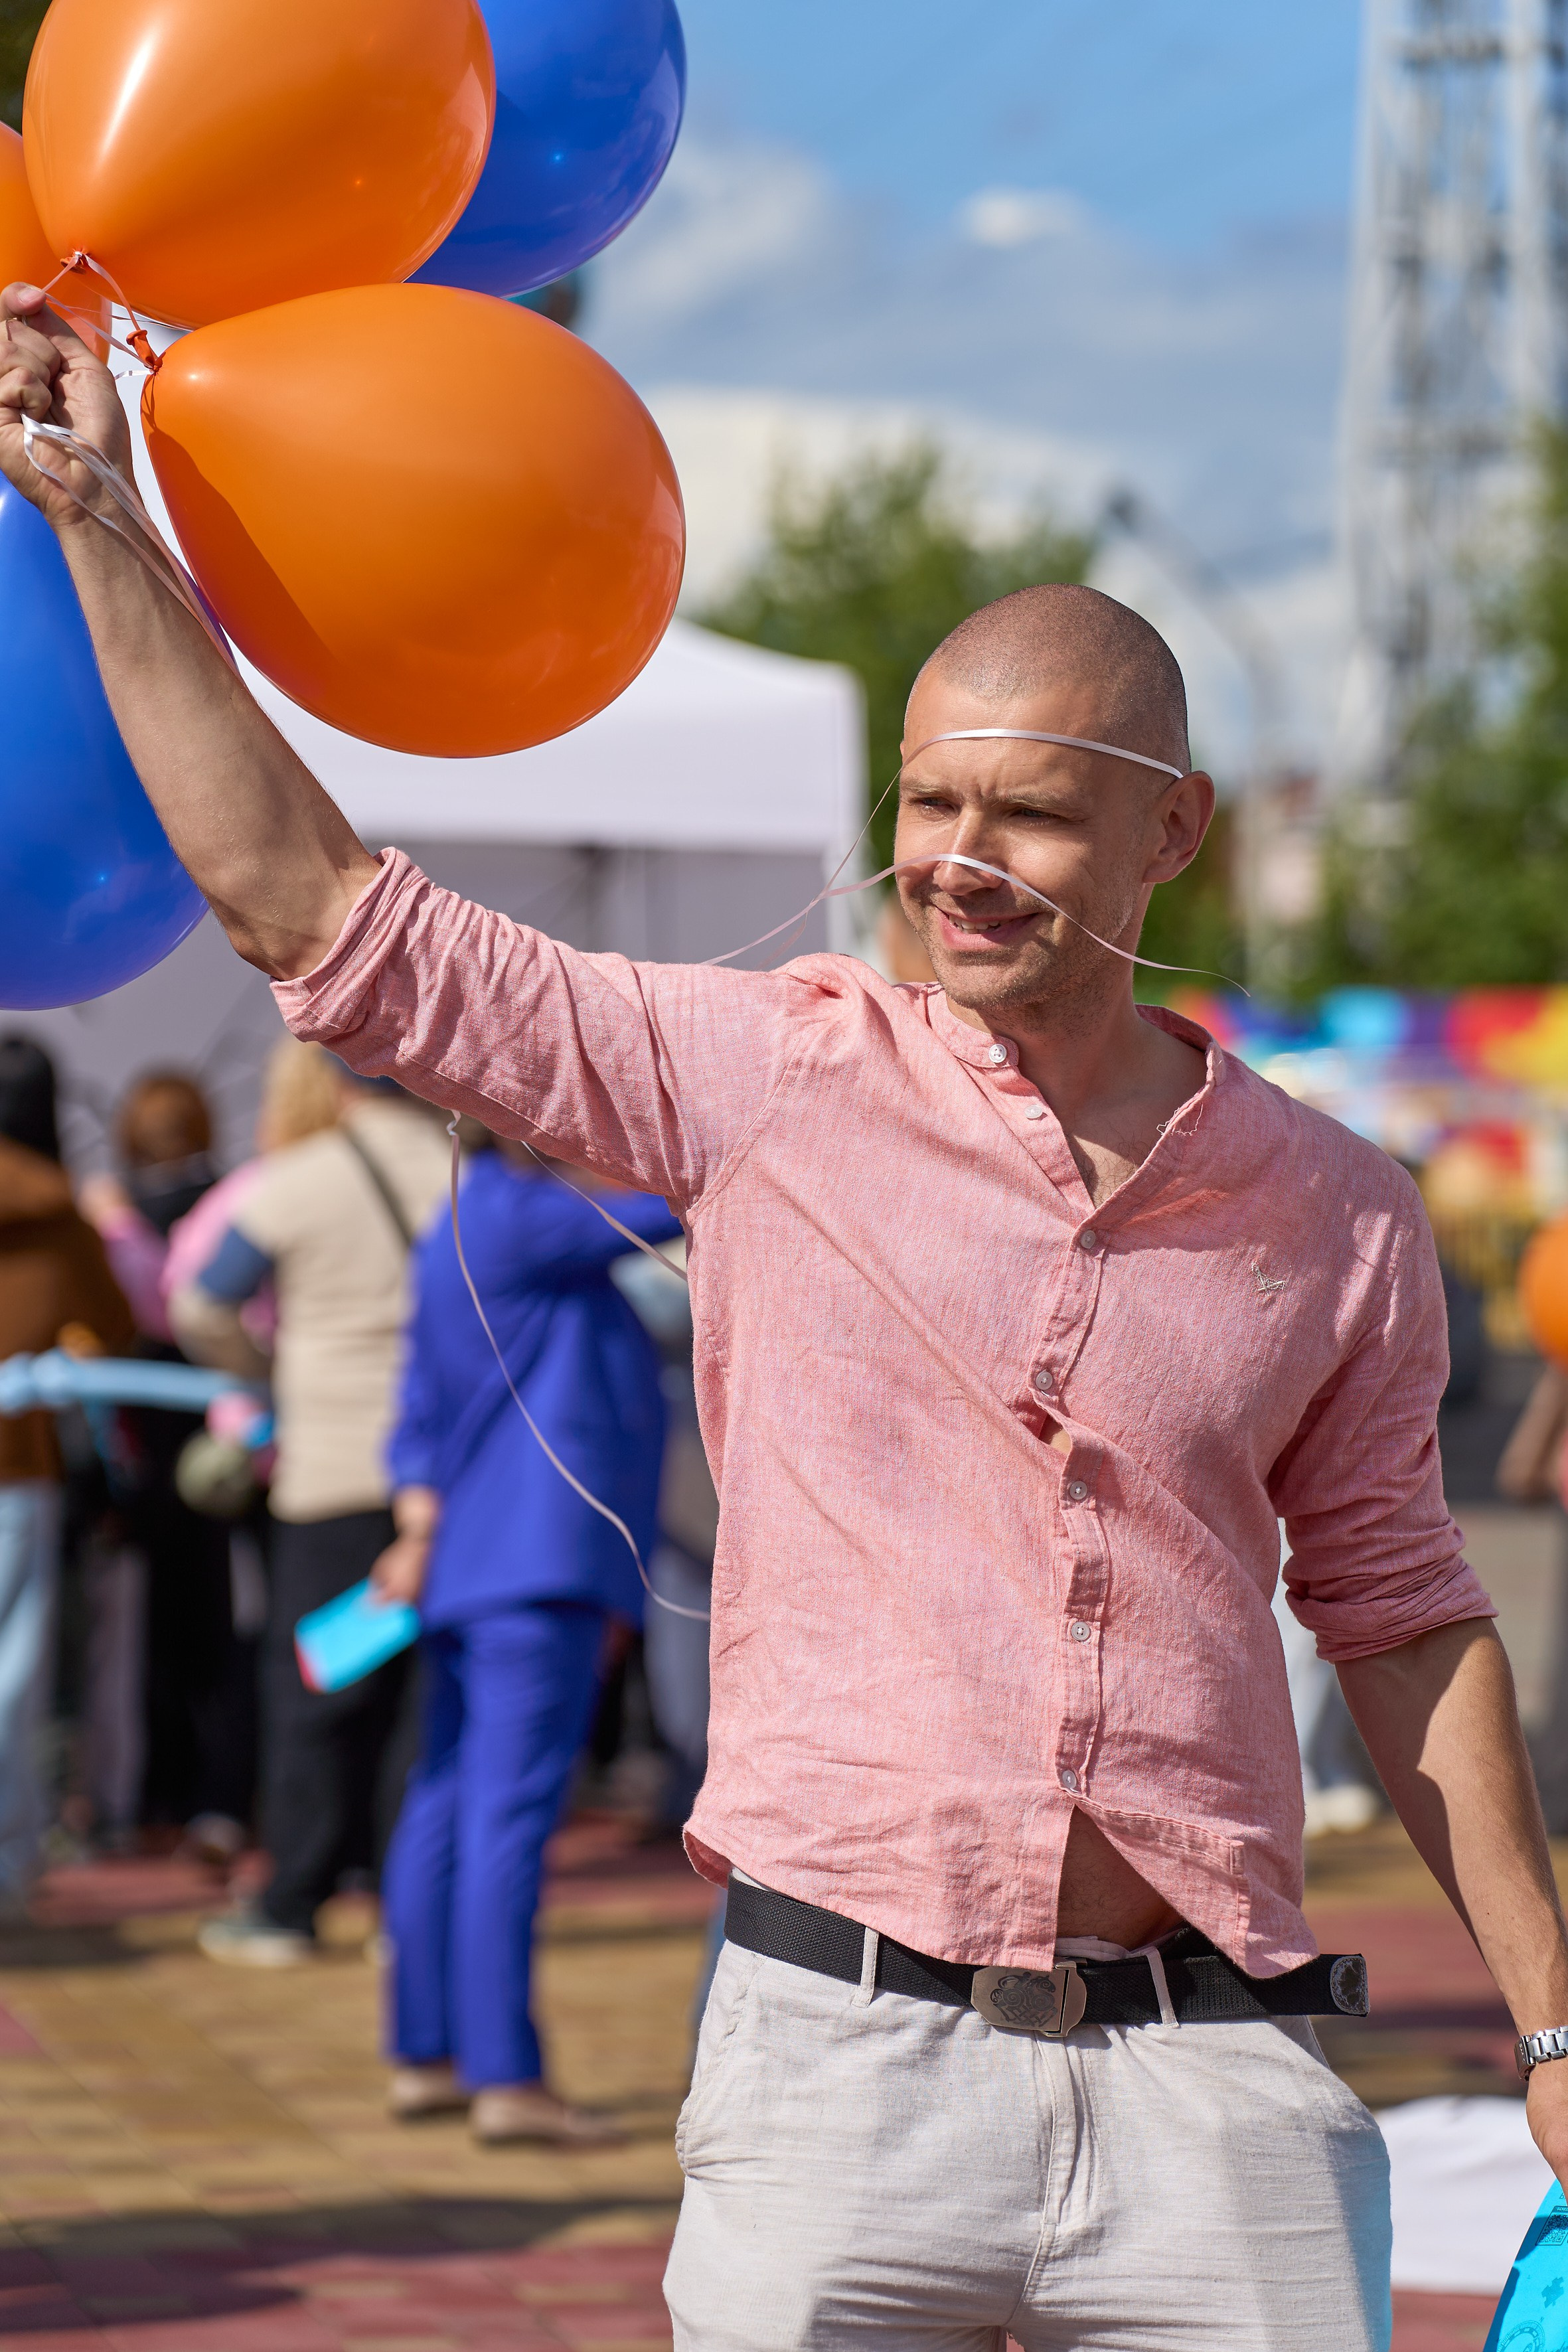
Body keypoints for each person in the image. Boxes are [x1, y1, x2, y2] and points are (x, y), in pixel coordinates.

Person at [9, 285, 1568, 2352]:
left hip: (1222, 2079)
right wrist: (100, 515)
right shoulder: (771, 1072)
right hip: (842, 2068)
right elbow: (325, 919)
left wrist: (1550, 2035)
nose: (957, 861)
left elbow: (1395, 1613)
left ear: (1170, 831)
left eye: (1025, 811)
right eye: (929, 806)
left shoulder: (1340, 1212)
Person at [374, 1129, 679, 2144]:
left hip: (471, 1559)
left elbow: (416, 1410)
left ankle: (427, 2051)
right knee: (502, 1819)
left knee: (447, 1803)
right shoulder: (517, 1210)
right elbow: (682, 1197)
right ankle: (505, 2074)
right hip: (538, 1563)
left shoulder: (448, 1230)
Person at [166, 1053, 449, 1964]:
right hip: (448, 1476)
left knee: (319, 1687)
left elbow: (201, 1303)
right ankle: (408, 1909)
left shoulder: (294, 1184)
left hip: (330, 1468)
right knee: (424, 1698)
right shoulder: (470, 1177)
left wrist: (262, 1375)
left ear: (337, 1084)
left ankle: (294, 1901)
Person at [0, 1035, 134, 1909]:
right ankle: (9, 1859)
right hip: (18, 1463)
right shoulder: (59, 1213)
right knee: (13, 1671)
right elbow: (109, 1325)